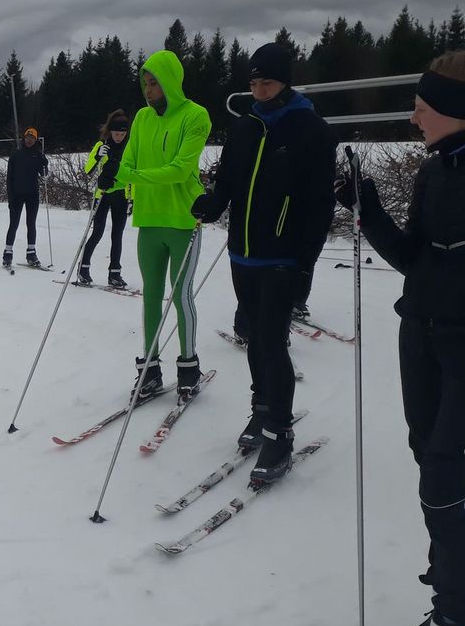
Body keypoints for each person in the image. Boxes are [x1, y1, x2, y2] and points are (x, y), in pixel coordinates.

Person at [347, 50, 465, 626]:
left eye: (423, 108)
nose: (413, 118)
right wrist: (367, 207)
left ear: (460, 113)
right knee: (428, 466)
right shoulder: (436, 172)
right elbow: (417, 259)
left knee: (444, 487)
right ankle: (456, 603)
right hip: (423, 339)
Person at [190, 43, 336, 484]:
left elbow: (319, 203)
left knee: (272, 341)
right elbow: (229, 180)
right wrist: (212, 204)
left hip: (283, 255)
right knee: (254, 336)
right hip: (243, 252)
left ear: (285, 82)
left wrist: (305, 262)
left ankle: (280, 432)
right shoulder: (246, 125)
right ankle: (261, 410)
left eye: (266, 82)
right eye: (253, 83)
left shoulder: (309, 129)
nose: (258, 90)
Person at [112, 50, 210, 399]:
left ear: (169, 81)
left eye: (154, 82)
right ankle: (150, 368)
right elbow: (130, 162)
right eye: (145, 83)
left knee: (181, 296)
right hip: (149, 220)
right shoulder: (141, 118)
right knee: (150, 296)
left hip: (184, 220)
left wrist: (128, 174)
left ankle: (188, 367)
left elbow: (180, 170)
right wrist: (107, 177)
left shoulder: (195, 115)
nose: (148, 89)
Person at [81, 111, 132, 287]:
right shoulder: (101, 145)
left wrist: (132, 198)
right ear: (110, 131)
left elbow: (133, 174)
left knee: (117, 235)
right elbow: (88, 171)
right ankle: (83, 268)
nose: (119, 137)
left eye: (123, 133)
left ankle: (115, 273)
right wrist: (97, 156)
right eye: (116, 133)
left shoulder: (130, 148)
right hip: (101, 194)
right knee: (97, 232)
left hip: (120, 195)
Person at [4, 127, 48, 268]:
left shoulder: (37, 155)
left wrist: (45, 163)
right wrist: (10, 197)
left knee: (31, 223)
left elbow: (44, 174)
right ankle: (8, 253)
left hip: (32, 195)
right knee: (14, 224)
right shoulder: (16, 155)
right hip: (17, 195)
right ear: (24, 138)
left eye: (32, 138)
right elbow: (9, 178)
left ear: (35, 140)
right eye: (28, 137)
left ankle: (31, 253)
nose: (29, 140)